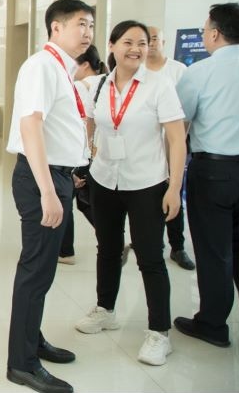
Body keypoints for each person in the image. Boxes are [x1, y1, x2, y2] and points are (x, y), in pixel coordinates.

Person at [74, 20, 186, 367]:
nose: (136, 49)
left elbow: (177, 138)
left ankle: (159, 333)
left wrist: (174, 187)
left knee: (150, 257)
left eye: (142, 43)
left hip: (146, 183)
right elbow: (91, 120)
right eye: (128, 42)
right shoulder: (100, 84)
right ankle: (105, 309)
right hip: (105, 179)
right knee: (107, 249)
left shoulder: (159, 85)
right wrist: (90, 152)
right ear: (112, 46)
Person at [5, 0, 94, 393]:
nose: (87, 32)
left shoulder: (61, 67)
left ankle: (32, 340)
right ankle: (21, 363)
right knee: (35, 271)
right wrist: (47, 190)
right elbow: (31, 126)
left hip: (57, 175)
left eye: (90, 25)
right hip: (41, 178)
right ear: (56, 27)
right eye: (80, 24)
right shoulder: (42, 65)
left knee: (42, 272)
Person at [174, 2, 239, 349]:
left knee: (215, 251)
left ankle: (213, 324)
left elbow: (180, 122)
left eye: (204, 30)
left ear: (215, 34)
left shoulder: (200, 72)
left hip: (214, 171)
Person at [143, 25, 195, 271]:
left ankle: (178, 246)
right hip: (145, 150)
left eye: (155, 39)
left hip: (173, 147)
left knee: (173, 195)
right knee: (146, 201)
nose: (151, 43)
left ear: (163, 42)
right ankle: (147, 242)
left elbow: (187, 113)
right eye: (147, 40)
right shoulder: (137, 71)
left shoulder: (179, 71)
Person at [58, 44, 106, 265]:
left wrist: (79, 155)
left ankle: (65, 251)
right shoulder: (107, 81)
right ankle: (111, 238)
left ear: (85, 64)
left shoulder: (78, 85)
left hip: (83, 153)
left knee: (66, 199)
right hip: (104, 155)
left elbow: (83, 123)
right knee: (87, 201)